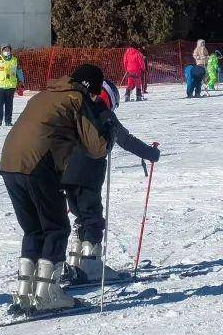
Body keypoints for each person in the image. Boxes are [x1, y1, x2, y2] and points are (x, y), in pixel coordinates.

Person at [0, 64, 108, 314]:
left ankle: (25, 293)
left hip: (9, 162)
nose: (95, 97)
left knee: (34, 229)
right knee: (56, 227)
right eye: (96, 91)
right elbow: (96, 147)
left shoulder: (45, 93)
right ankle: (48, 294)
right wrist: (107, 133)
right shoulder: (76, 98)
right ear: (90, 86)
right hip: (38, 164)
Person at [63, 80, 160, 285]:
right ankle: (91, 266)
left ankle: (75, 259)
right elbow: (126, 140)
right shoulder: (103, 112)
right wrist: (150, 153)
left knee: (80, 215)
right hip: (88, 172)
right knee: (92, 217)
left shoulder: (75, 108)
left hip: (65, 173)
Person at [0, 45, 24, 127]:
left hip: (11, 86)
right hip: (0, 86)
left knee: (9, 104)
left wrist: (21, 82)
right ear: (2, 51)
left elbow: (19, 71)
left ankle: (8, 121)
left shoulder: (15, 60)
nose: (7, 51)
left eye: (8, 49)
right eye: (5, 49)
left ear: (10, 50)